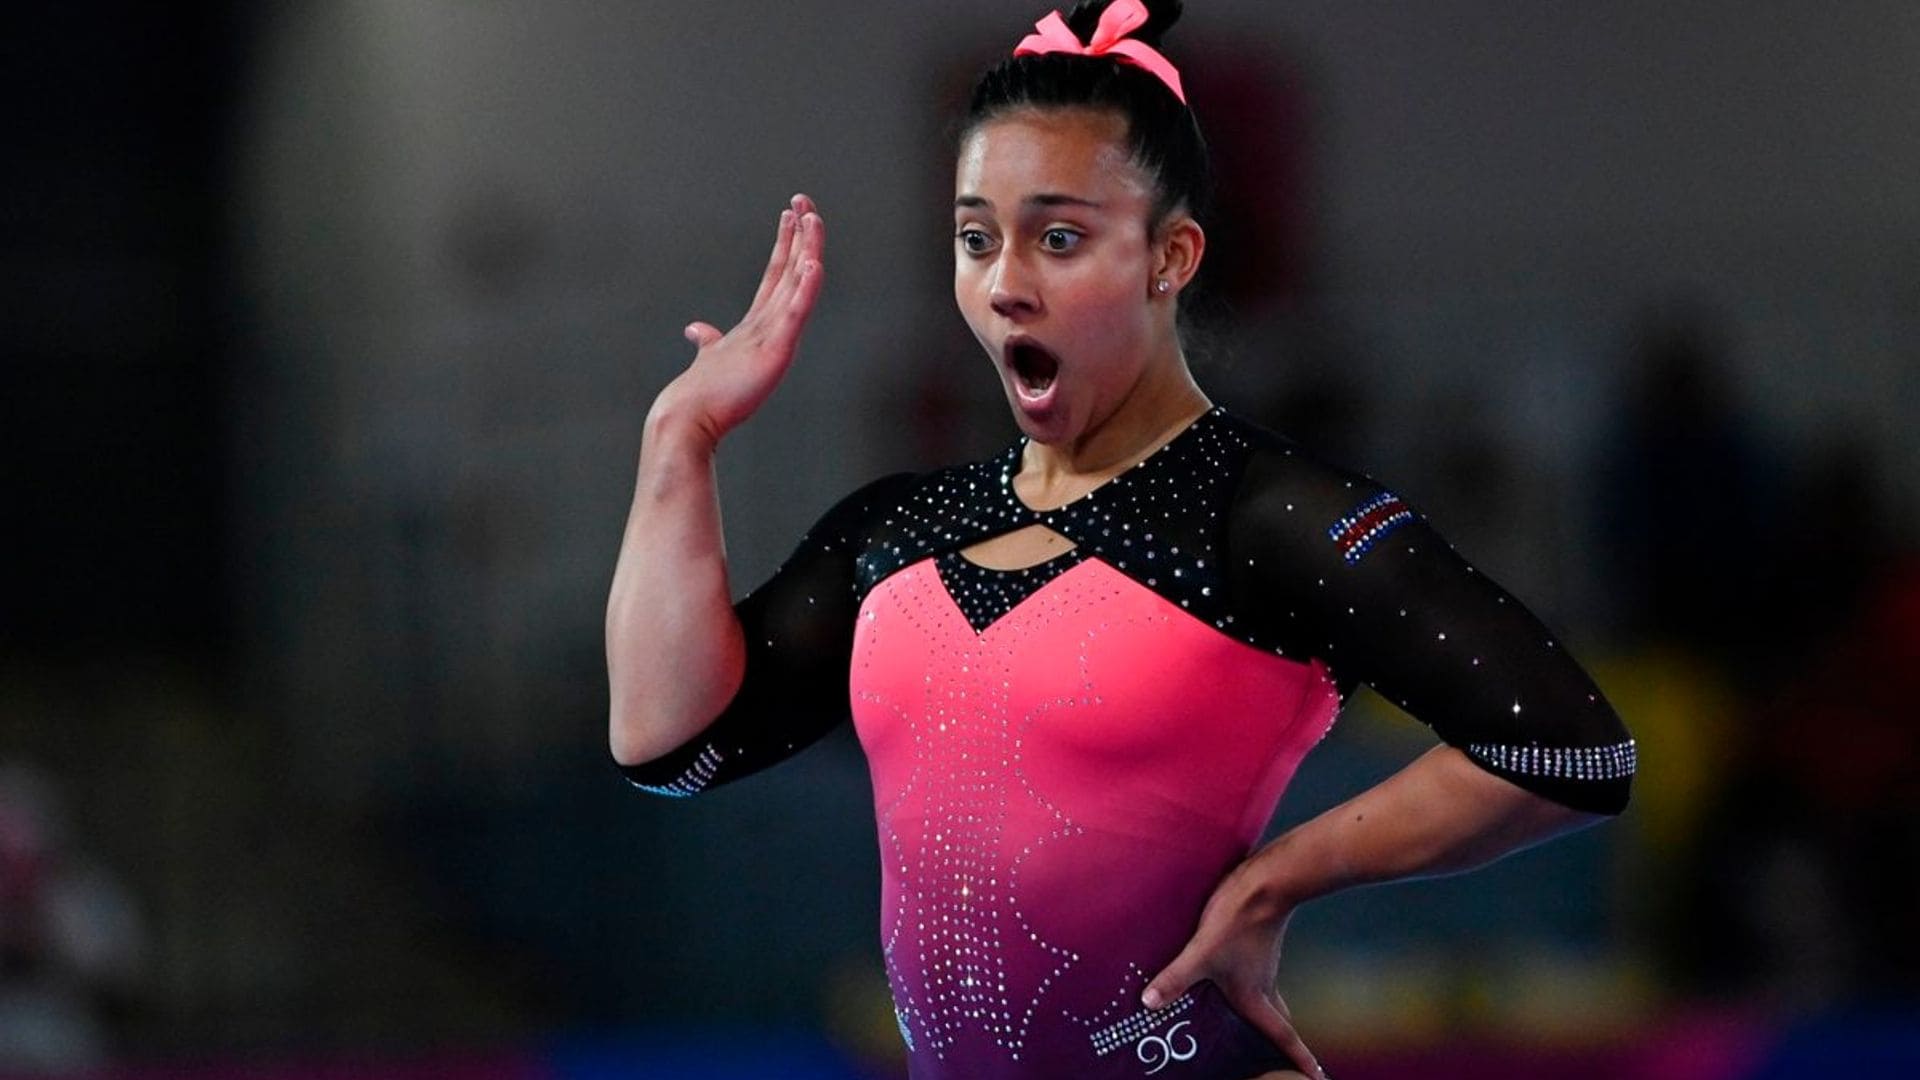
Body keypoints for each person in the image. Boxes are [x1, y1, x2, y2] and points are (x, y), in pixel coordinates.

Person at [605, 2, 1635, 1077]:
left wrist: (1280, 877)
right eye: (974, 238)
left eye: (1059, 237)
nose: (1005, 282)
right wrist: (681, 437)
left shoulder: (1266, 517)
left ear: (1169, 255)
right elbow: (671, 749)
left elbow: (1569, 749)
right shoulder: (895, 531)